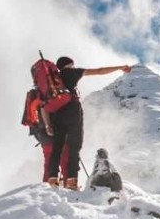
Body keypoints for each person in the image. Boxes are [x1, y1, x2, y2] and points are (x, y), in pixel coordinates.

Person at [46, 57, 132, 190]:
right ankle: (71, 182)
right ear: (69, 64)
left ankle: (52, 179)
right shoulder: (72, 73)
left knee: (57, 147)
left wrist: (47, 124)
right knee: (75, 145)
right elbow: (99, 71)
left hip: (57, 114)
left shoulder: (53, 79)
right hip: (72, 110)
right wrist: (120, 67)